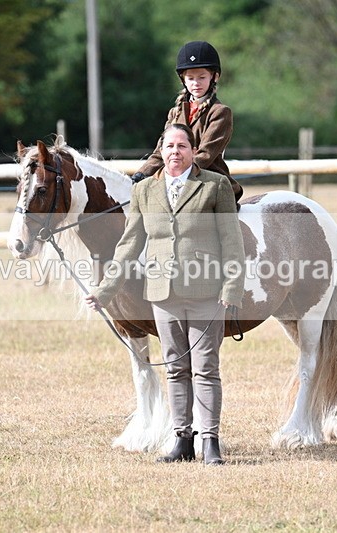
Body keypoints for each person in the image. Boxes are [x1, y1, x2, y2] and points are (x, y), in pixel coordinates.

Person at [85, 124, 245, 465]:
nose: (175, 151)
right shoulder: (145, 191)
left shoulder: (214, 187)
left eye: (182, 145)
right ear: (162, 150)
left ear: (192, 150)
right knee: (175, 369)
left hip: (207, 292)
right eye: (169, 145)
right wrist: (104, 290)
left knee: (205, 368)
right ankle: (182, 440)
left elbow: (232, 241)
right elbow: (129, 245)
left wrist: (232, 286)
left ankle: (210, 441)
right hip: (163, 294)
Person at [132, 41, 243, 206]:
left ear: (215, 77)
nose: (196, 83)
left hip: (208, 183)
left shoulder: (220, 112)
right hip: (176, 180)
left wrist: (173, 176)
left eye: (202, 77)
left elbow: (205, 156)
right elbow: (160, 152)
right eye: (190, 78)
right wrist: (141, 174)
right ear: (183, 80)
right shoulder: (174, 113)